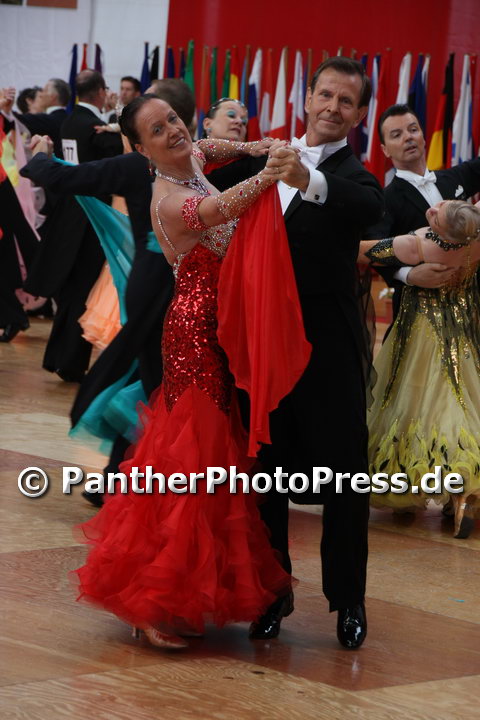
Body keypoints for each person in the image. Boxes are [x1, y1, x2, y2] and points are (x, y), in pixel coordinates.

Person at [73, 95, 296, 649]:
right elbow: (221, 209)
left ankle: (170, 590)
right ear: (140, 148)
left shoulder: (191, 156)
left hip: (221, 328)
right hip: (194, 335)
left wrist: (252, 146)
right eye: (158, 130)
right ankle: (152, 599)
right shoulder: (169, 200)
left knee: (209, 456)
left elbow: (208, 147)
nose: (173, 131)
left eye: (172, 119)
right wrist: (269, 171)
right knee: (193, 457)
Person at [250, 57, 384, 649]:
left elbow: (368, 209)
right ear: (307, 98)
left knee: (344, 475)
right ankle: (271, 593)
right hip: (265, 344)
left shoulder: (356, 178)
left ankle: (348, 599)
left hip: (327, 347)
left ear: (358, 115)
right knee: (267, 472)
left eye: (345, 101)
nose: (332, 107)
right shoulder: (266, 161)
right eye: (325, 94)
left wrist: (309, 181)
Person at [361, 199, 480, 538]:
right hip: (465, 332)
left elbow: (362, 252)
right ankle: (462, 494)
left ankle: (413, 490)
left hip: (422, 335)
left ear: (443, 230)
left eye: (437, 215)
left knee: (417, 404)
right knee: (460, 398)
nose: (433, 209)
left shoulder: (418, 245)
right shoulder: (475, 239)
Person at [24, 69, 124, 382]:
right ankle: (70, 363)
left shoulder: (69, 121)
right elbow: (117, 156)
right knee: (83, 290)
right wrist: (115, 121)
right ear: (101, 91)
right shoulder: (96, 128)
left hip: (70, 212)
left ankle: (57, 358)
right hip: (91, 217)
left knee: (71, 290)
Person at [364, 104, 480, 325]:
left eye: (413, 129)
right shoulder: (384, 200)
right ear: (385, 150)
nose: (408, 137)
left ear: (423, 137)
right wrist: (408, 275)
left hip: (472, 304)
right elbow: (373, 248)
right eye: (397, 135)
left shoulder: (454, 177)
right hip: (419, 312)